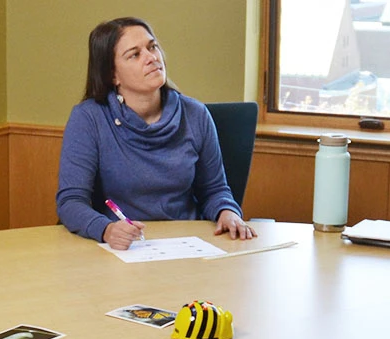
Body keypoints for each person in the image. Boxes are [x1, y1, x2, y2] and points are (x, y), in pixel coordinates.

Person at [56, 17, 257, 250]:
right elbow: (71, 201)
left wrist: (227, 211)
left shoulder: (195, 114)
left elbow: (214, 190)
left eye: (152, 47)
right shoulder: (89, 118)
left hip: (187, 244)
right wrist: (105, 229)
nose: (152, 58)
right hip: (122, 247)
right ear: (113, 75)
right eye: (134, 54)